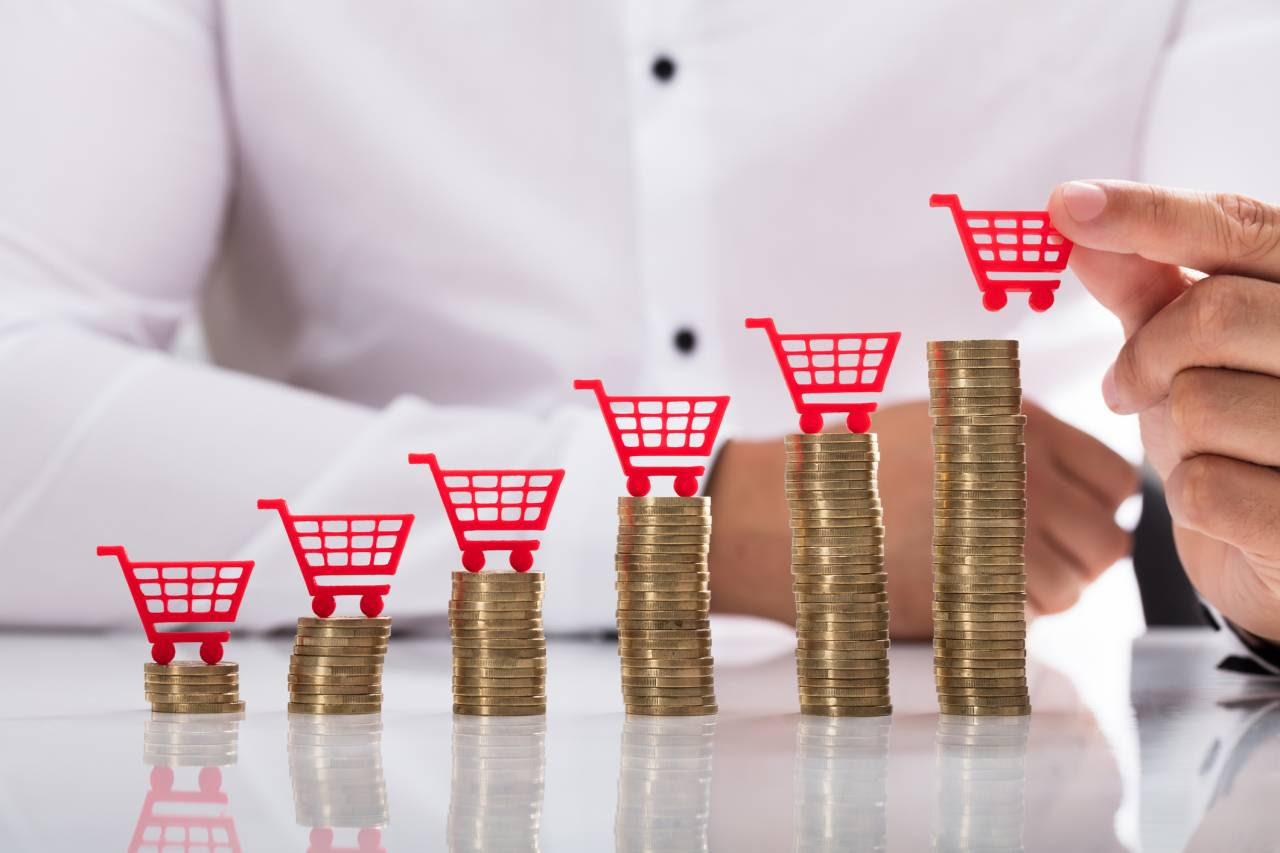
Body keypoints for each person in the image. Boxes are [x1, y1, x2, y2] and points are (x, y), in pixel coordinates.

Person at [0, 2, 1275, 648]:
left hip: (1036, 748)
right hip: (359, 766)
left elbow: (1245, 310)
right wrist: (673, 519)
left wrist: (1261, 540)